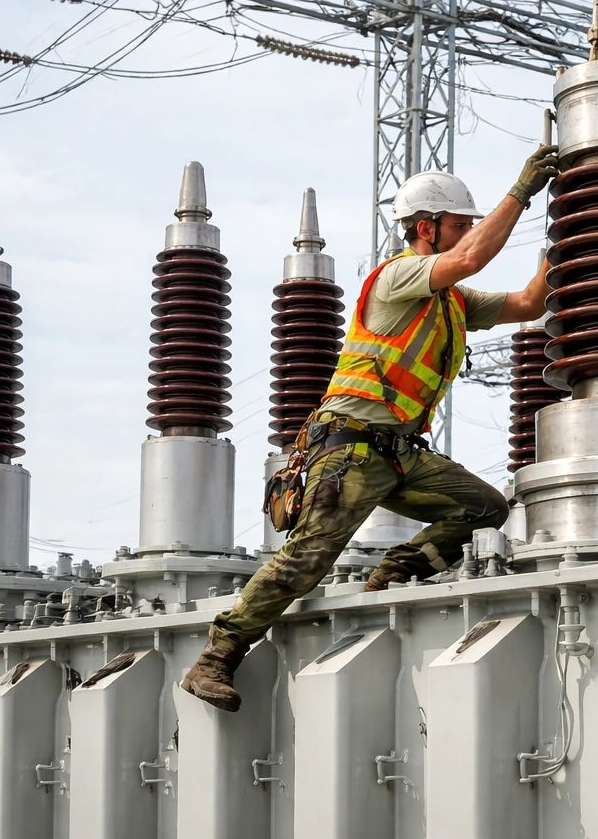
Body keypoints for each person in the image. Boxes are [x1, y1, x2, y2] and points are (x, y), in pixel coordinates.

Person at [181, 145, 560, 712]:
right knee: (309, 558)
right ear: (425, 228)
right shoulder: (399, 276)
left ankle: (392, 572)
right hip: (350, 449)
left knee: (483, 507)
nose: (466, 232)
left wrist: (566, 231)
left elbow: (531, 303)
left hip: (400, 454)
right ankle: (215, 657)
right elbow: (471, 260)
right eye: (459, 223)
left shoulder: (453, 302)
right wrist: (523, 190)